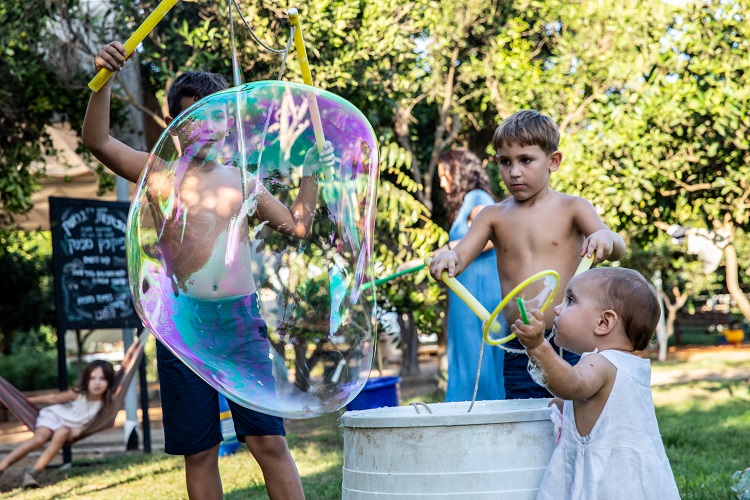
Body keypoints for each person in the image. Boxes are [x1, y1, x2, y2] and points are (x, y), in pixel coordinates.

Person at [82, 41, 334, 500]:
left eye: (213, 116)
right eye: (190, 118)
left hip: (239, 324)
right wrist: (105, 80)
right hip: (183, 327)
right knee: (200, 450)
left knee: (268, 441)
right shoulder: (160, 174)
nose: (204, 128)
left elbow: (297, 226)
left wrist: (311, 175)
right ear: (173, 126)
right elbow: (97, 141)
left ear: (227, 123)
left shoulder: (242, 181)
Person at [429, 110, 626, 399]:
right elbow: (460, 257)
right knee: (524, 422)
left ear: (553, 161)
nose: (514, 171)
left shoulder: (574, 208)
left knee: (572, 417)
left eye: (526, 160)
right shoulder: (492, 216)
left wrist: (604, 238)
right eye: (505, 162)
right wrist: (449, 259)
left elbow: (618, 246)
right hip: (518, 344)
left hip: (568, 340)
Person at [510, 267, 680, 499]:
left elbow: (571, 384)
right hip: (631, 479)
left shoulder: (601, 363)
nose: (558, 309)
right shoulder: (624, 365)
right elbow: (591, 403)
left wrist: (537, 347)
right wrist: (563, 407)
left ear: (604, 322)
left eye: (570, 300)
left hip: (608, 484)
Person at [437, 149, 504, 401]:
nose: (442, 183)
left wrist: (447, 250)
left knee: (478, 355)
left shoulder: (477, 197)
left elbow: (490, 236)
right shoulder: (468, 201)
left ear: (459, 173)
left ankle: (481, 413)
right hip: (466, 293)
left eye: (445, 176)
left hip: (479, 292)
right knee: (466, 353)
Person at [0, 360, 115, 489]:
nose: (97, 383)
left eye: (102, 379)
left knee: (63, 432)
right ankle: (2, 466)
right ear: (86, 379)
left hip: (68, 428)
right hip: (52, 417)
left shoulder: (106, 403)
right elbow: (53, 398)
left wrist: (82, 429)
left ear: (110, 382)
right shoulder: (78, 393)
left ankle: (32, 472)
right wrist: (21, 402)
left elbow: (99, 422)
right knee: (39, 439)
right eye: (92, 378)